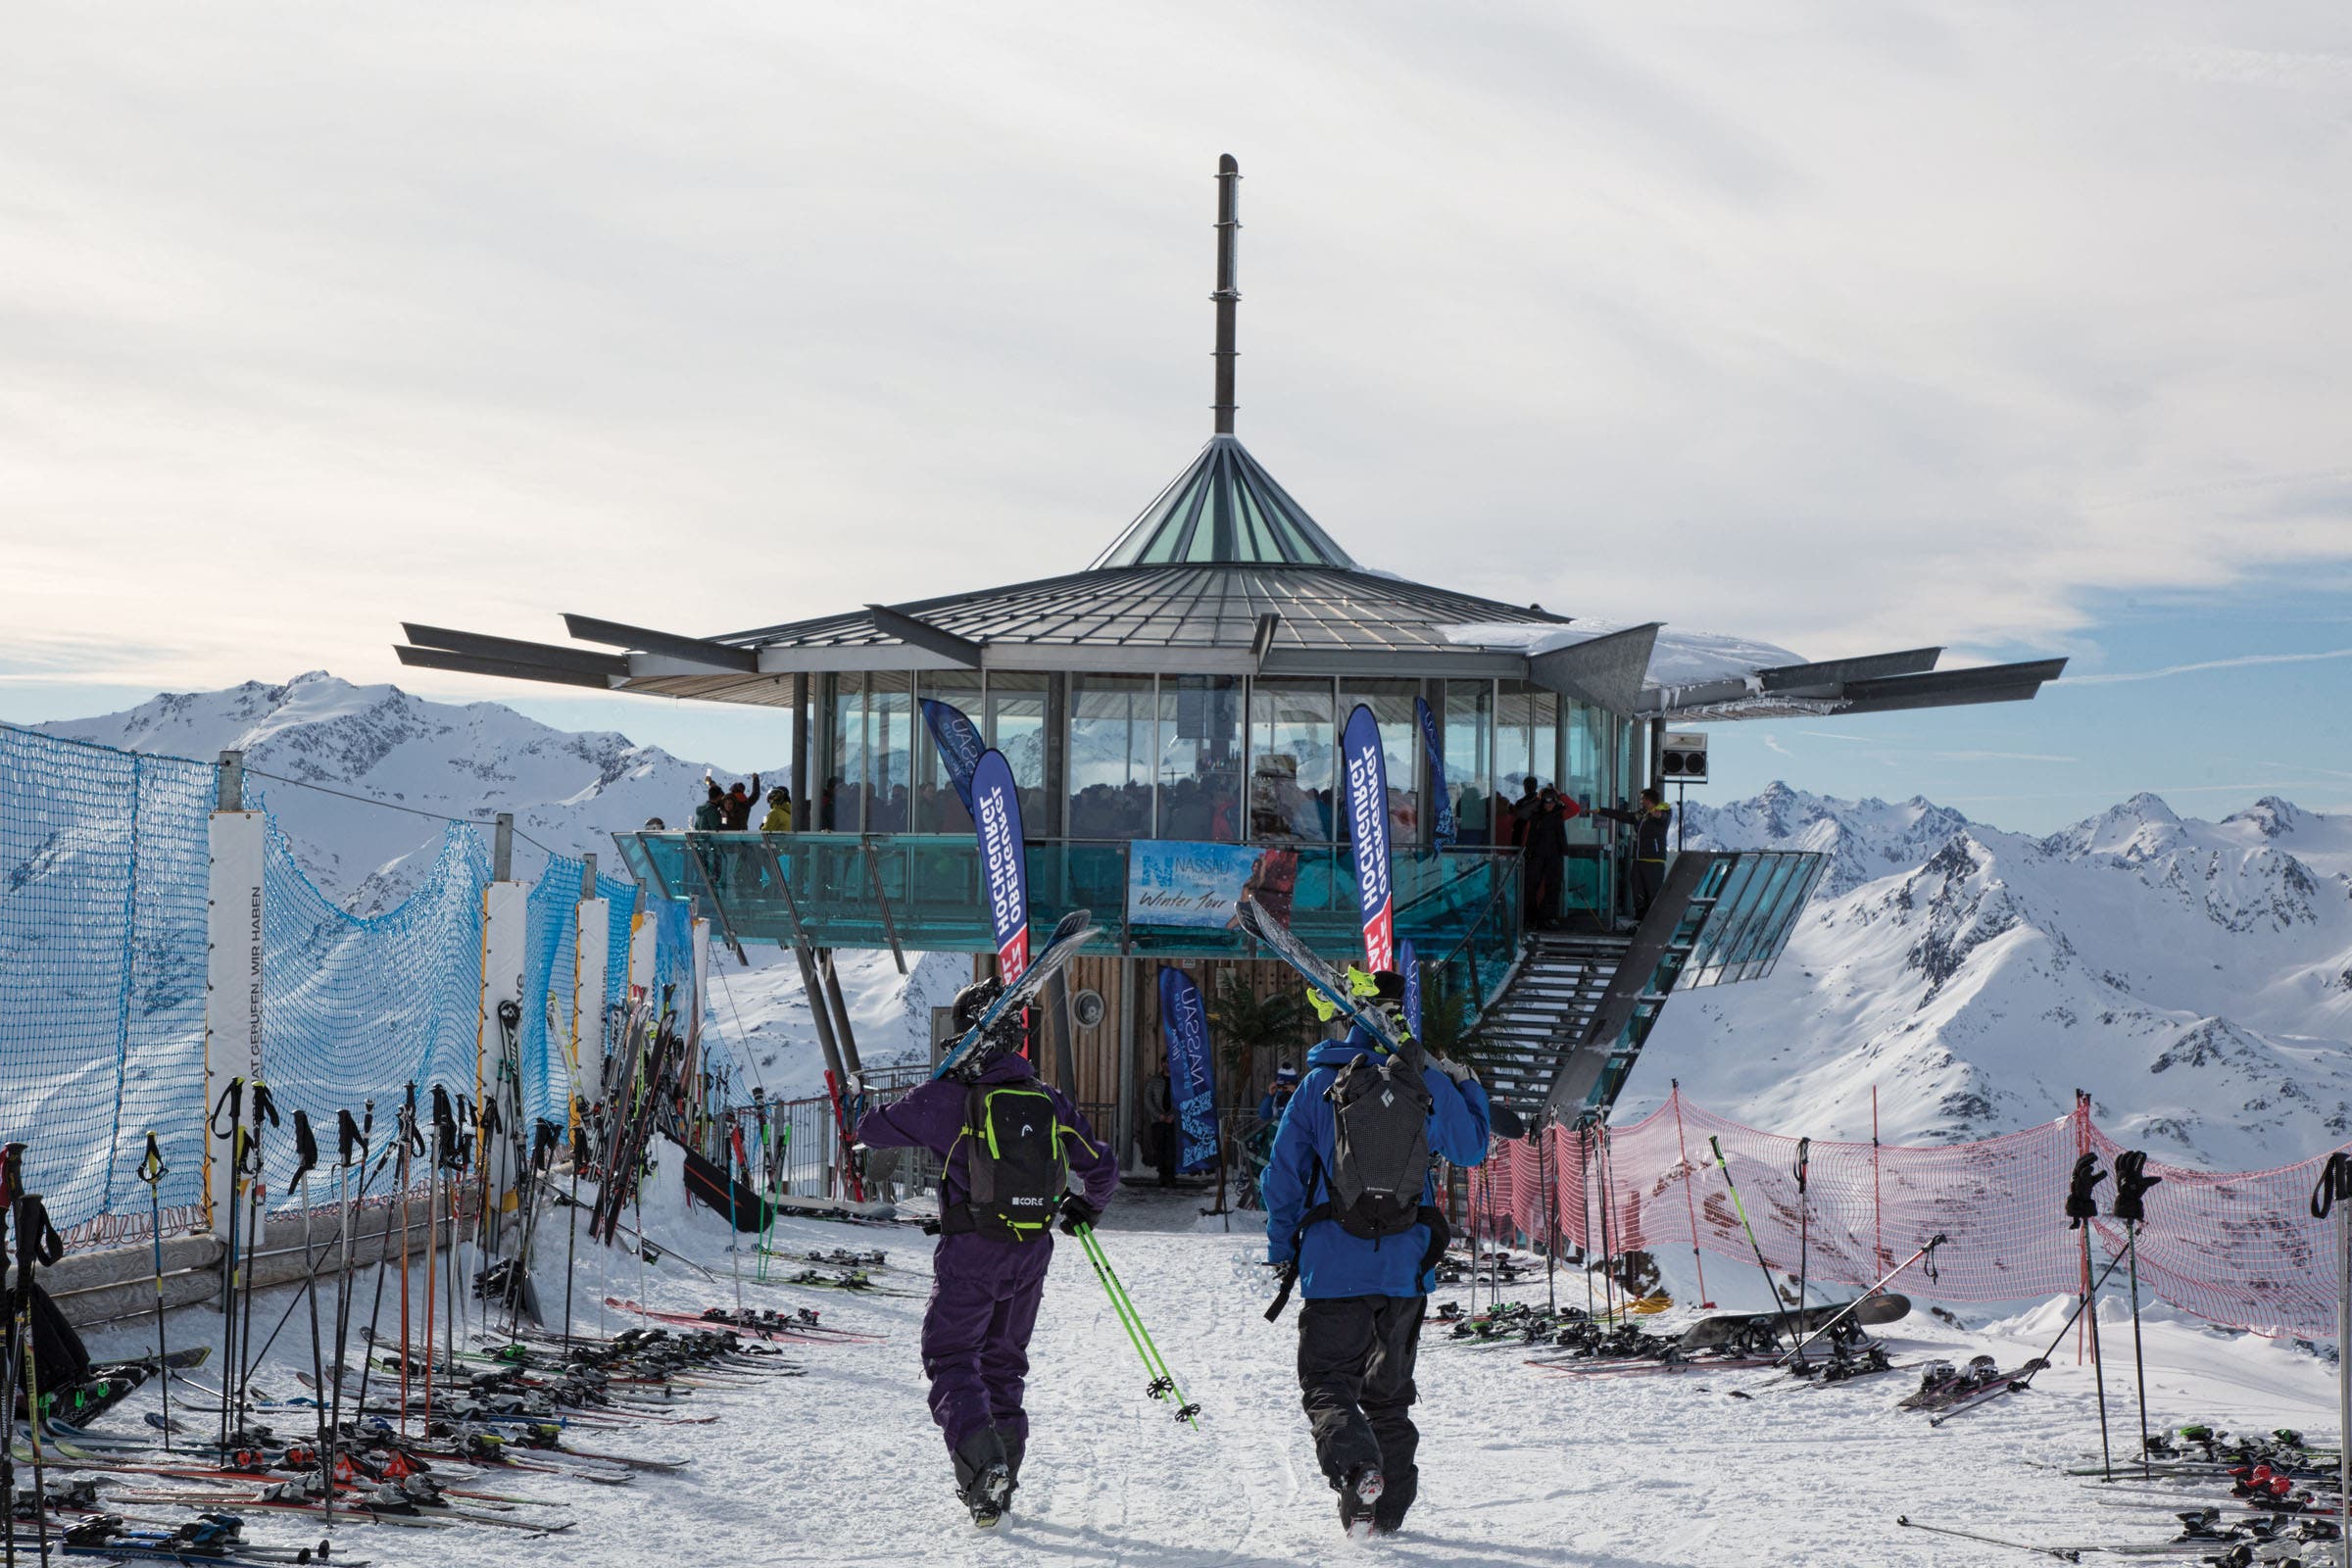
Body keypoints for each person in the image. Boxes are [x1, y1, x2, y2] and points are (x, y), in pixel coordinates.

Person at [855, 979, 1119, 1529]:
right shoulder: (1048, 1100)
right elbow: (1101, 1166)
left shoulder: (946, 1100)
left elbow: (870, 1129)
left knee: (951, 1355)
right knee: (1003, 1364)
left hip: (971, 1251)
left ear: (963, 1037)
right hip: (1030, 1251)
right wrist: (1087, 1208)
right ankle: (1000, 1483)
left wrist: (919, 1089)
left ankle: (985, 1468)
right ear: (1017, 1036)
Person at [1263, 971, 1490, 1541]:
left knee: (1327, 1381)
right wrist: (1467, 1088)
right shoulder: (1426, 1082)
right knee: (1388, 1398)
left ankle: (1359, 1470)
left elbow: (1283, 1178)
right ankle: (1384, 1514)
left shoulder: (1319, 1084)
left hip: (1332, 1268)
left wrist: (1282, 1247)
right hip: (1404, 1272)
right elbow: (1472, 1148)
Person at [1595, 786, 1672, 919]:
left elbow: (1664, 817)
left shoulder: (1662, 811)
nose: (1640, 801)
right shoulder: (1640, 815)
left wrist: (1658, 814)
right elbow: (1623, 816)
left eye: (1643, 799)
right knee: (1637, 891)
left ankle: (1653, 923)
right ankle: (1640, 919)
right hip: (1638, 860)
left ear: (1649, 800)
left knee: (1652, 893)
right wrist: (1601, 811)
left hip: (1654, 861)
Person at [1140, 1057, 1177, 1188]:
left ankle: (1171, 1177)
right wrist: (1158, 1115)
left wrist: (1174, 1115)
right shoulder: (1155, 1080)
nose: (1169, 1064)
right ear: (1162, 1064)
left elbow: (1184, 1098)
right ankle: (1162, 1176)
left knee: (1172, 1149)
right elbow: (1147, 1098)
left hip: (1173, 1121)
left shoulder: (1179, 1080)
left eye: (1170, 1061)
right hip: (1158, 1121)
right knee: (1159, 1149)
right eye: (1166, 1062)